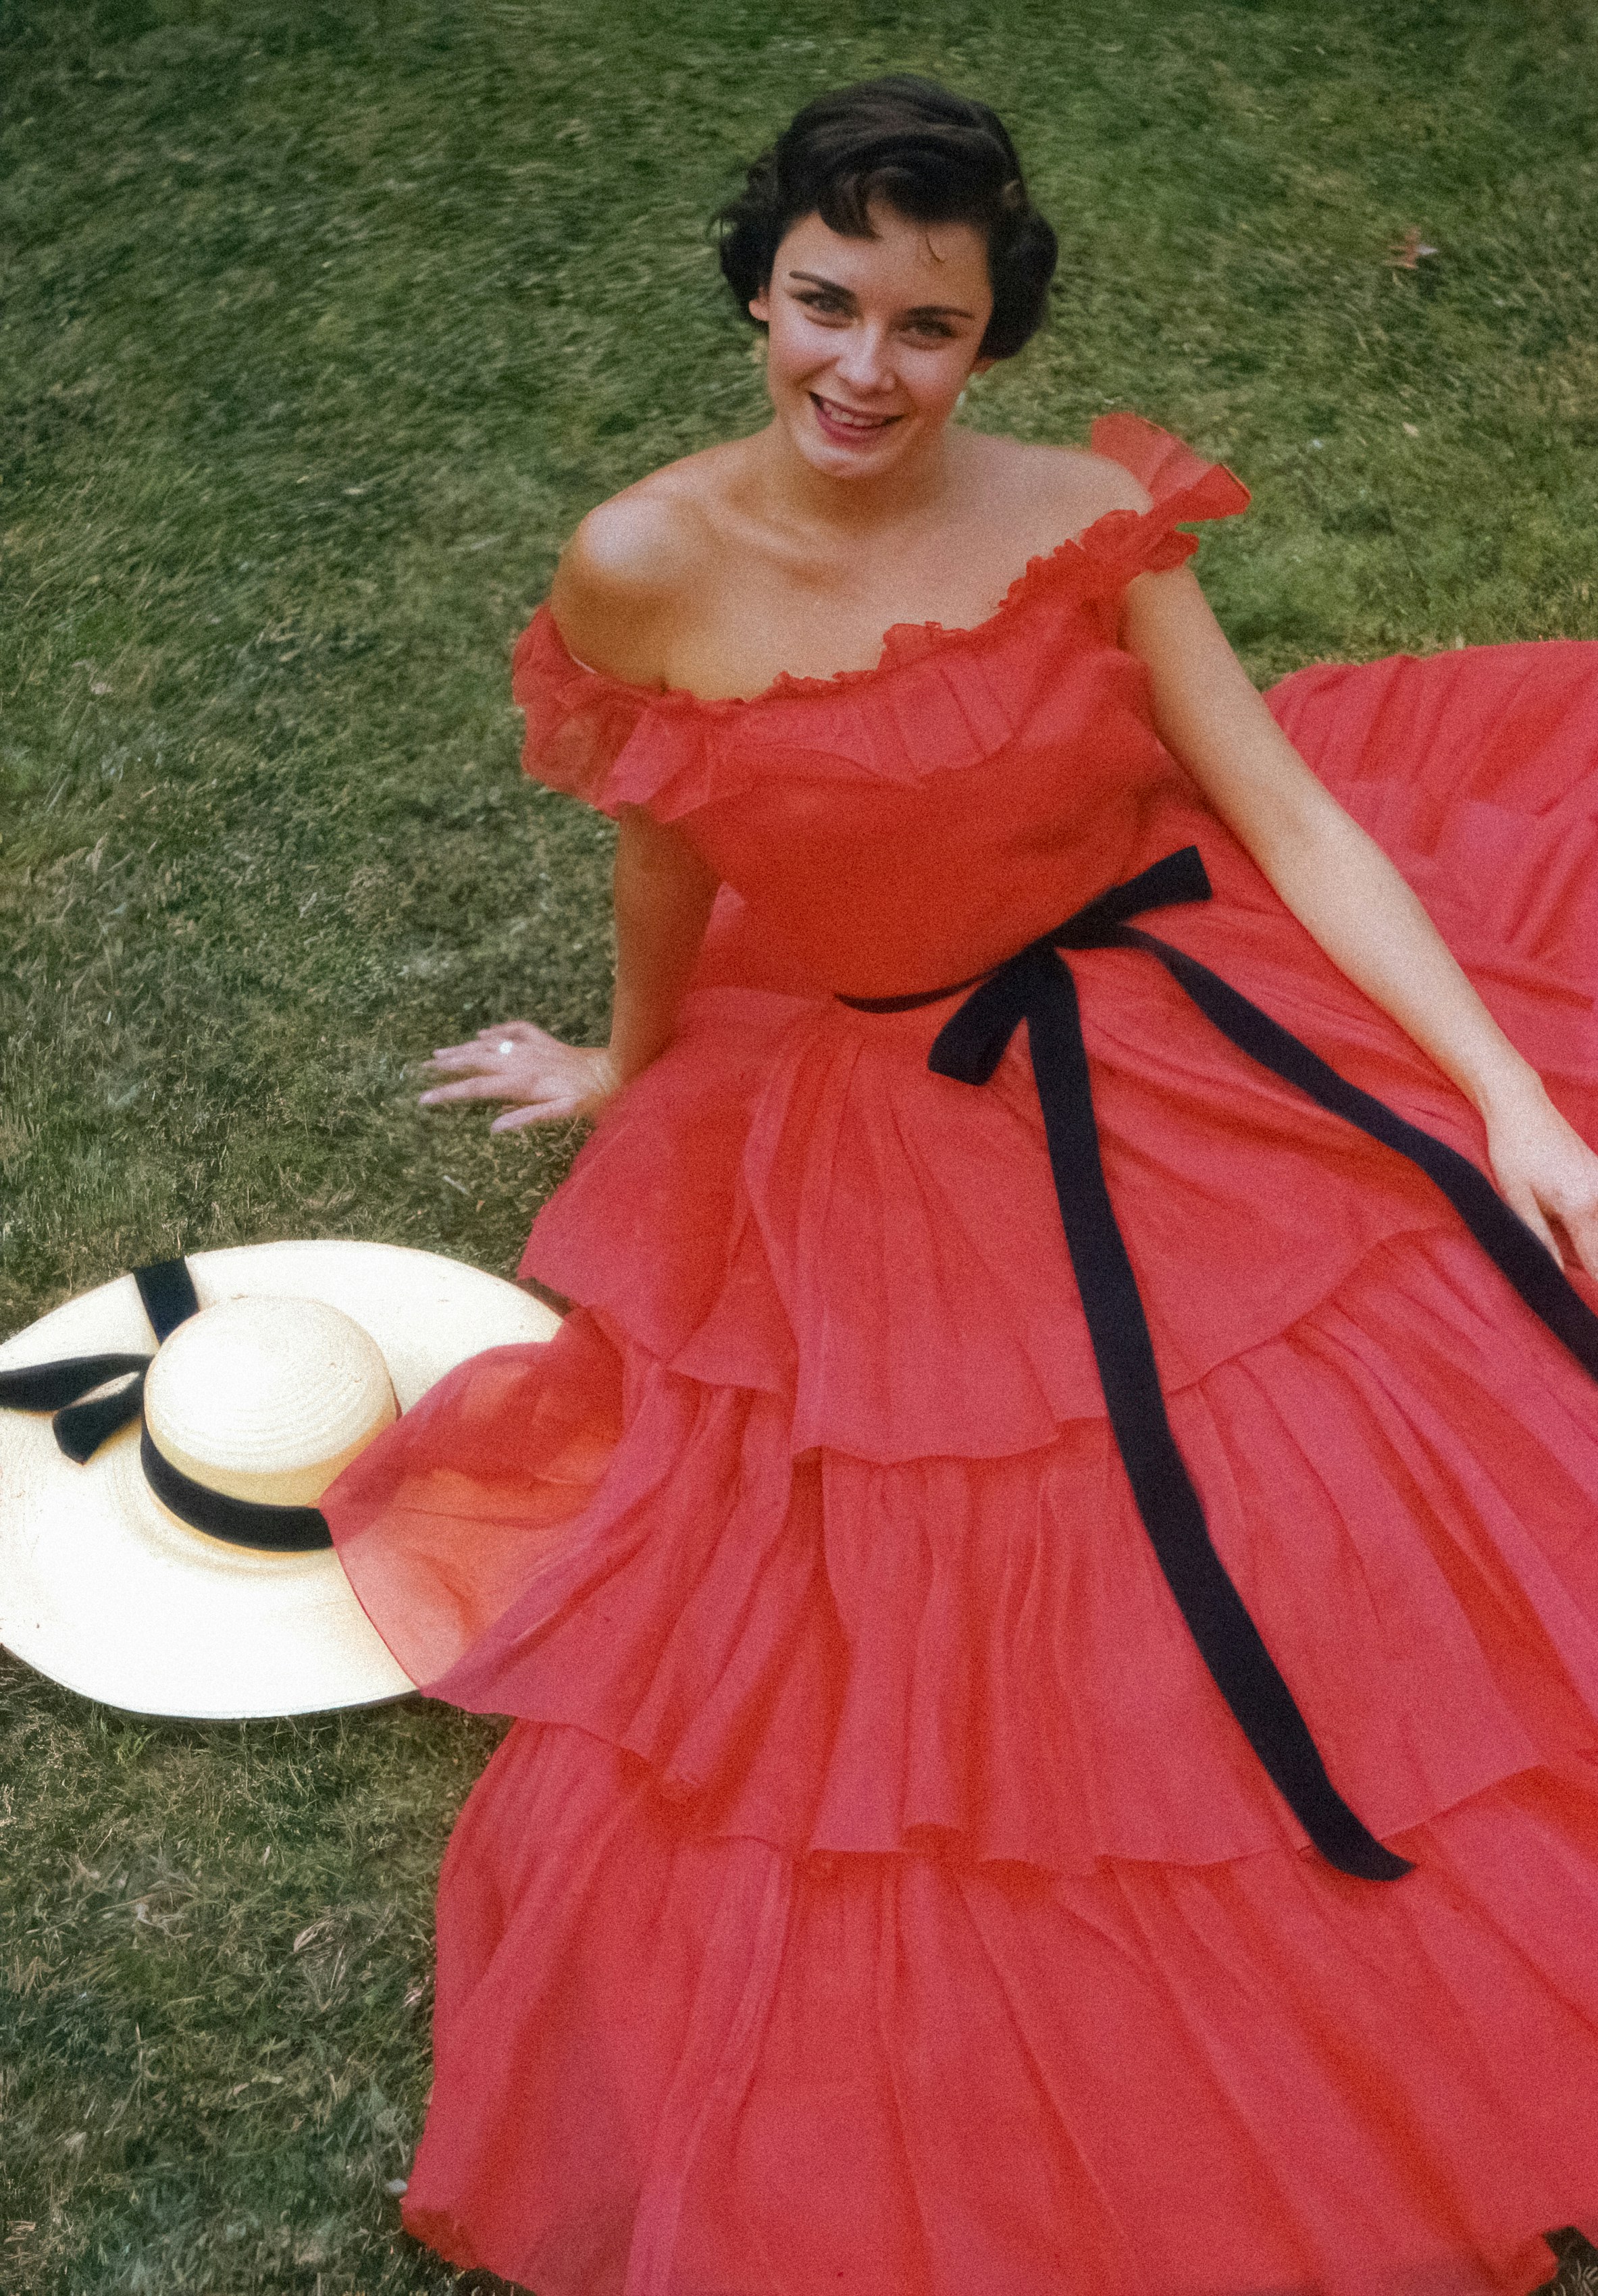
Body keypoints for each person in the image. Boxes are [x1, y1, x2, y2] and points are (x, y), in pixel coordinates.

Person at [322, 75, 1598, 2296]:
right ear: (756, 293)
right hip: (892, 1103)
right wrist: (632, 1060)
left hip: (1192, 1014)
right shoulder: (640, 564)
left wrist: (1506, 1097)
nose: (863, 368)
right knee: (971, 1637)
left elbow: (1287, 818)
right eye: (826, 303)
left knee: (1422, 1451)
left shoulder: (1085, 511)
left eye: (927, 326)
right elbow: (664, 842)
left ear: (992, 341)